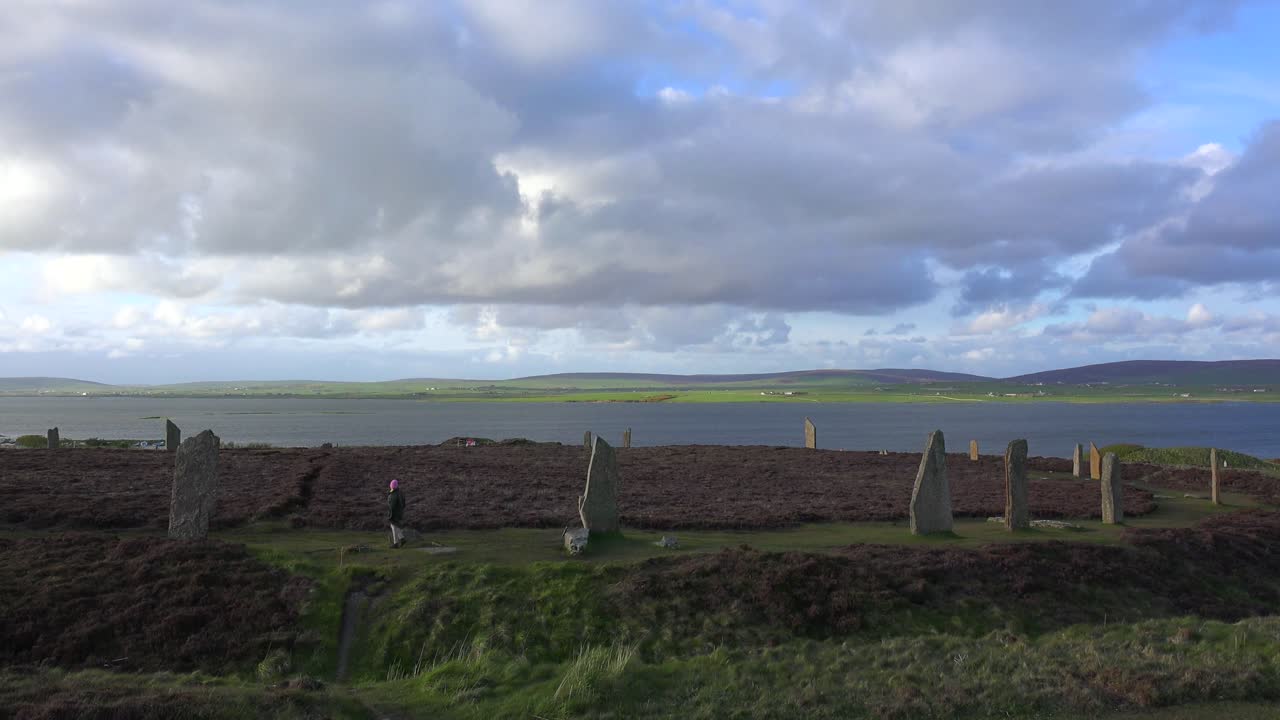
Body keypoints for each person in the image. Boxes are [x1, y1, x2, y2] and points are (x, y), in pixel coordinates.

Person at [388, 479, 406, 548]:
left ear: (391, 486)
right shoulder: (400, 493)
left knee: (393, 526)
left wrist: (390, 515)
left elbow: (392, 506)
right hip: (399, 513)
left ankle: (396, 543)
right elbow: (404, 503)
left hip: (394, 514)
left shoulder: (393, 495)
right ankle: (401, 539)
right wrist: (401, 510)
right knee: (395, 526)